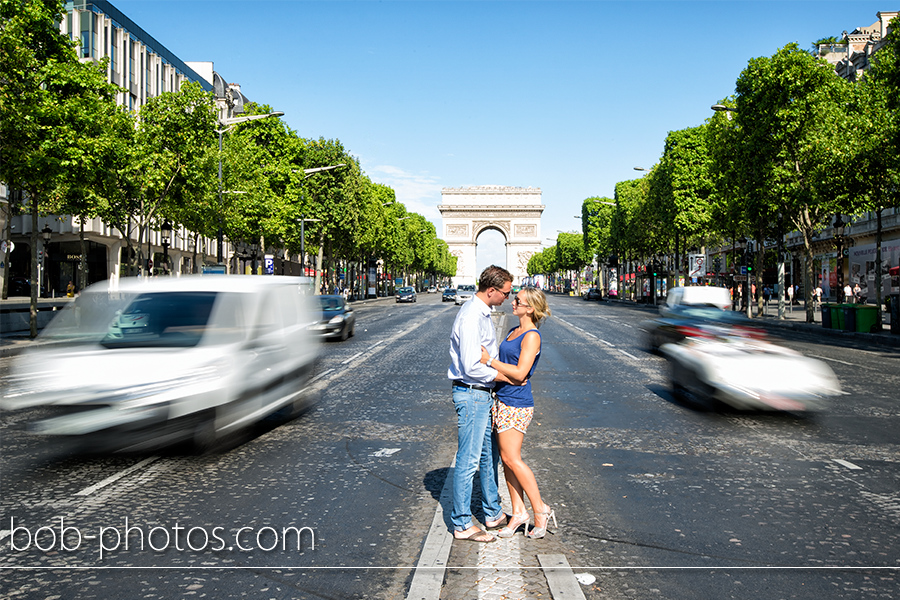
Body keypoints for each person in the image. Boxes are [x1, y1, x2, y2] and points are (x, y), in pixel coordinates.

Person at [479, 286, 557, 539]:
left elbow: (521, 373)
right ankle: (519, 512)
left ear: (530, 308)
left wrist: (489, 361)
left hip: (517, 402)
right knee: (506, 459)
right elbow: (511, 371)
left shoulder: (532, 335)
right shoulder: (514, 331)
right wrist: (501, 373)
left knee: (512, 458)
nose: (512, 302)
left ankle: (541, 509)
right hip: (503, 398)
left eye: (518, 300)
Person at [447, 265, 513, 542]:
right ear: (491, 290)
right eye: (506, 293)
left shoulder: (481, 313)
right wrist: (505, 376)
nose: (508, 299)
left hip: (481, 394)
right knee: (469, 459)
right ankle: (461, 523)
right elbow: (472, 366)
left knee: (488, 457)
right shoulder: (472, 318)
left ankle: (493, 513)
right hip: (473, 391)